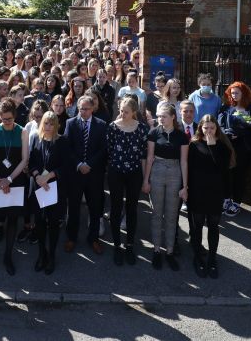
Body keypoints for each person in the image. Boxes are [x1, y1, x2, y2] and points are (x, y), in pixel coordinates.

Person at [0, 97, 30, 278]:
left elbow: (25, 159)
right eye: (4, 119)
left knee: (12, 221)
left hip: (15, 181)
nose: (7, 122)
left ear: (15, 116)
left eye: (9, 119)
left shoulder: (22, 132)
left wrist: (9, 179)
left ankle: (8, 256)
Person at [143, 101, 188, 270]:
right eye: (159, 116)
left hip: (175, 172)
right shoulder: (154, 133)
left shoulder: (182, 136)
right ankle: (156, 250)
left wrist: (185, 186)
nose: (160, 119)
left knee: (171, 214)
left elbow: (184, 162)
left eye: (164, 116)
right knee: (156, 213)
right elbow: (149, 158)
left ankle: (169, 251)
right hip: (157, 171)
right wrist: (146, 180)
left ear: (173, 117)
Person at [188, 114, 233, 278]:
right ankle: (198, 256)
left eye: (212, 128)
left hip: (215, 191)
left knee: (213, 225)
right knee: (197, 225)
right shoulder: (194, 145)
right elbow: (189, 169)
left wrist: (213, 146)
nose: (208, 131)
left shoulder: (223, 147)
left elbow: (223, 170)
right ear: (200, 128)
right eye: (205, 128)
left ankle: (212, 258)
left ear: (217, 129)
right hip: (197, 191)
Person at [106, 96, 149, 265]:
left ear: (134, 112)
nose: (122, 114)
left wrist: (146, 179)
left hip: (134, 174)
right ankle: (117, 245)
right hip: (116, 173)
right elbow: (108, 151)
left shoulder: (142, 129)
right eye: (121, 111)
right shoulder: (112, 128)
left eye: (126, 112)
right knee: (115, 208)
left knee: (132, 209)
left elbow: (144, 156)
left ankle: (130, 245)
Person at [64, 95, 108, 255]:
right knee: (73, 208)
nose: (83, 111)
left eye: (86, 109)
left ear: (93, 109)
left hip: (94, 174)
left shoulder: (101, 125)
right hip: (76, 174)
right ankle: (71, 238)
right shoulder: (70, 123)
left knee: (95, 208)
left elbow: (103, 149)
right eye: (81, 108)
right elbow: (67, 147)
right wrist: (79, 164)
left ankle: (93, 239)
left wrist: (89, 164)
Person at [28, 111, 68, 275]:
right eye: (46, 123)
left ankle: (51, 255)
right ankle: (41, 254)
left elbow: (66, 166)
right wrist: (38, 176)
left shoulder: (62, 142)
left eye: (52, 124)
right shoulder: (37, 139)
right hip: (39, 187)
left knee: (53, 223)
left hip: (55, 188)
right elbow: (32, 162)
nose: (49, 127)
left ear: (56, 125)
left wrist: (49, 177)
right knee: (39, 222)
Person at [217, 82, 251, 217]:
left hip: (243, 147)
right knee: (226, 173)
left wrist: (239, 133)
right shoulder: (226, 107)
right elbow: (219, 124)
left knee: (240, 175)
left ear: (243, 93)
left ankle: (236, 202)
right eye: (232, 93)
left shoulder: (250, 108)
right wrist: (226, 133)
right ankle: (226, 199)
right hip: (227, 145)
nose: (234, 96)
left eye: (237, 93)